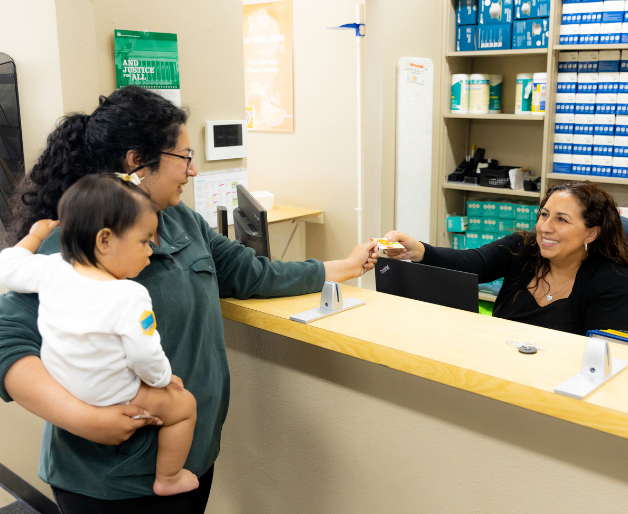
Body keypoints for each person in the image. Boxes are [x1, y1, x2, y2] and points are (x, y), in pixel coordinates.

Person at [0, 86, 379, 514]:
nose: (193, 170)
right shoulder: (78, 241)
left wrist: (345, 267)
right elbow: (7, 340)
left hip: (189, 461)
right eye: (183, 157)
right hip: (109, 481)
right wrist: (85, 419)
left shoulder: (182, 221)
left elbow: (249, 273)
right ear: (136, 161)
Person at [0, 174, 200, 497]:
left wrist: (35, 236)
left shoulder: (52, 268)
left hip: (65, 385)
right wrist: (165, 379)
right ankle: (169, 477)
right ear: (105, 241)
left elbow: (6, 265)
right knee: (185, 407)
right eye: (144, 241)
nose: (150, 250)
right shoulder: (130, 296)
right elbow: (145, 356)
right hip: (110, 394)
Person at [383, 181, 628, 335]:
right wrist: (417, 250)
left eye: (561, 219)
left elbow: (599, 355)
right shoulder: (522, 247)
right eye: (544, 215)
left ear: (591, 232)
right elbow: (473, 262)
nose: (545, 227)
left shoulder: (611, 279)